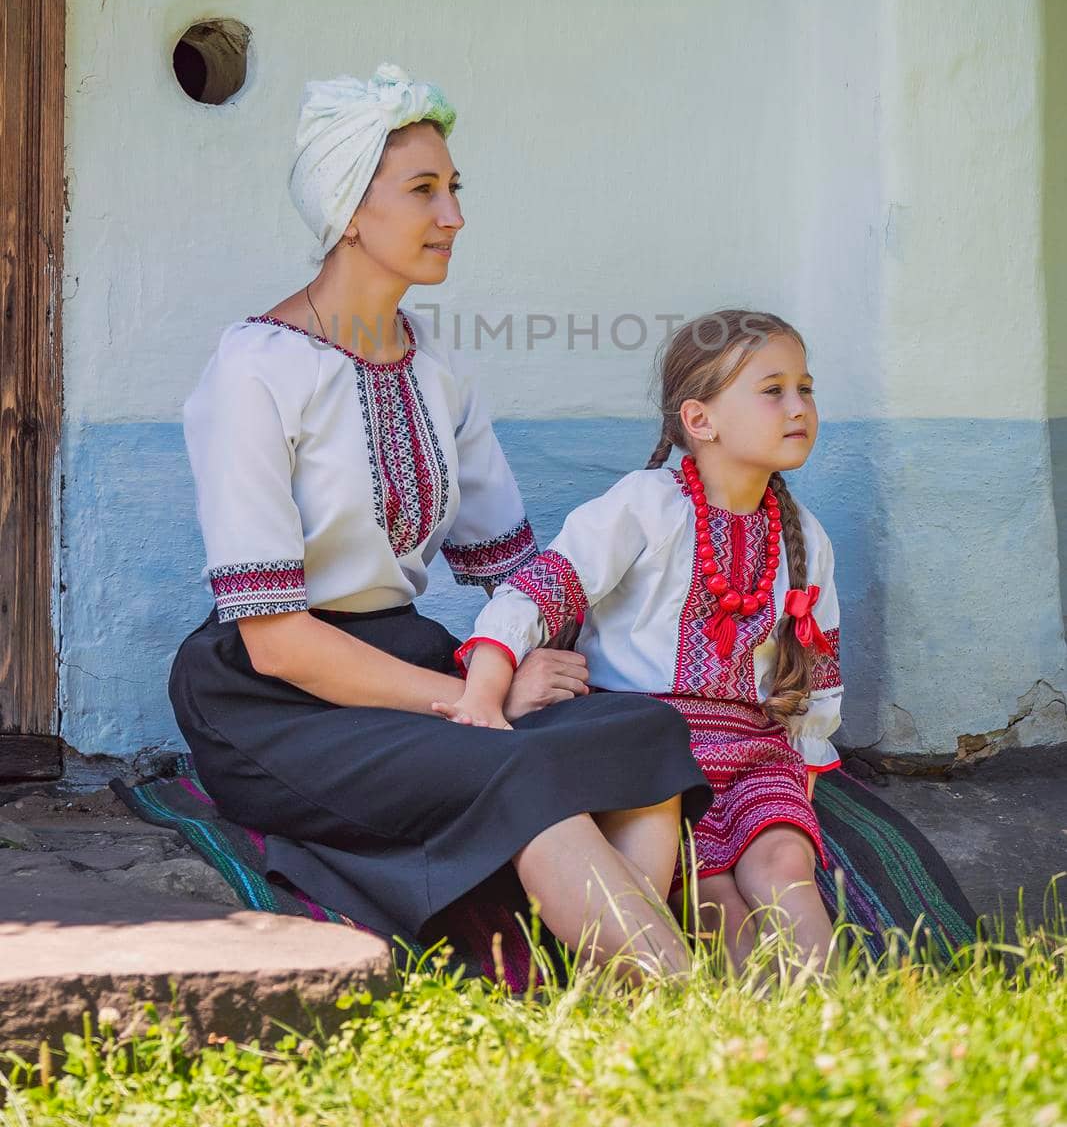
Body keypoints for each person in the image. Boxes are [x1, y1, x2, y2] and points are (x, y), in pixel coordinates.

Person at [169, 66, 710, 981]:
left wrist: (530, 655)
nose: (452, 213)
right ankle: (682, 1006)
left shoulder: (436, 366)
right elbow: (276, 643)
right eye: (423, 189)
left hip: (415, 664)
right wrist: (476, 700)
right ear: (348, 209)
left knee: (642, 734)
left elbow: (513, 575)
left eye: (453, 187)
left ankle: (608, 986)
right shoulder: (253, 369)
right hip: (276, 700)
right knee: (514, 769)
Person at [443, 309, 843, 970]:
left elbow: (816, 671)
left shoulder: (804, 534)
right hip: (654, 756)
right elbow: (536, 594)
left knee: (783, 861)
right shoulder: (644, 507)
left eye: (805, 388)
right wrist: (485, 693)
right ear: (699, 420)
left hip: (753, 752)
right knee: (714, 893)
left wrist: (799, 769)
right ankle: (751, 1035)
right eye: (772, 390)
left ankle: (838, 1019)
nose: (798, 406)